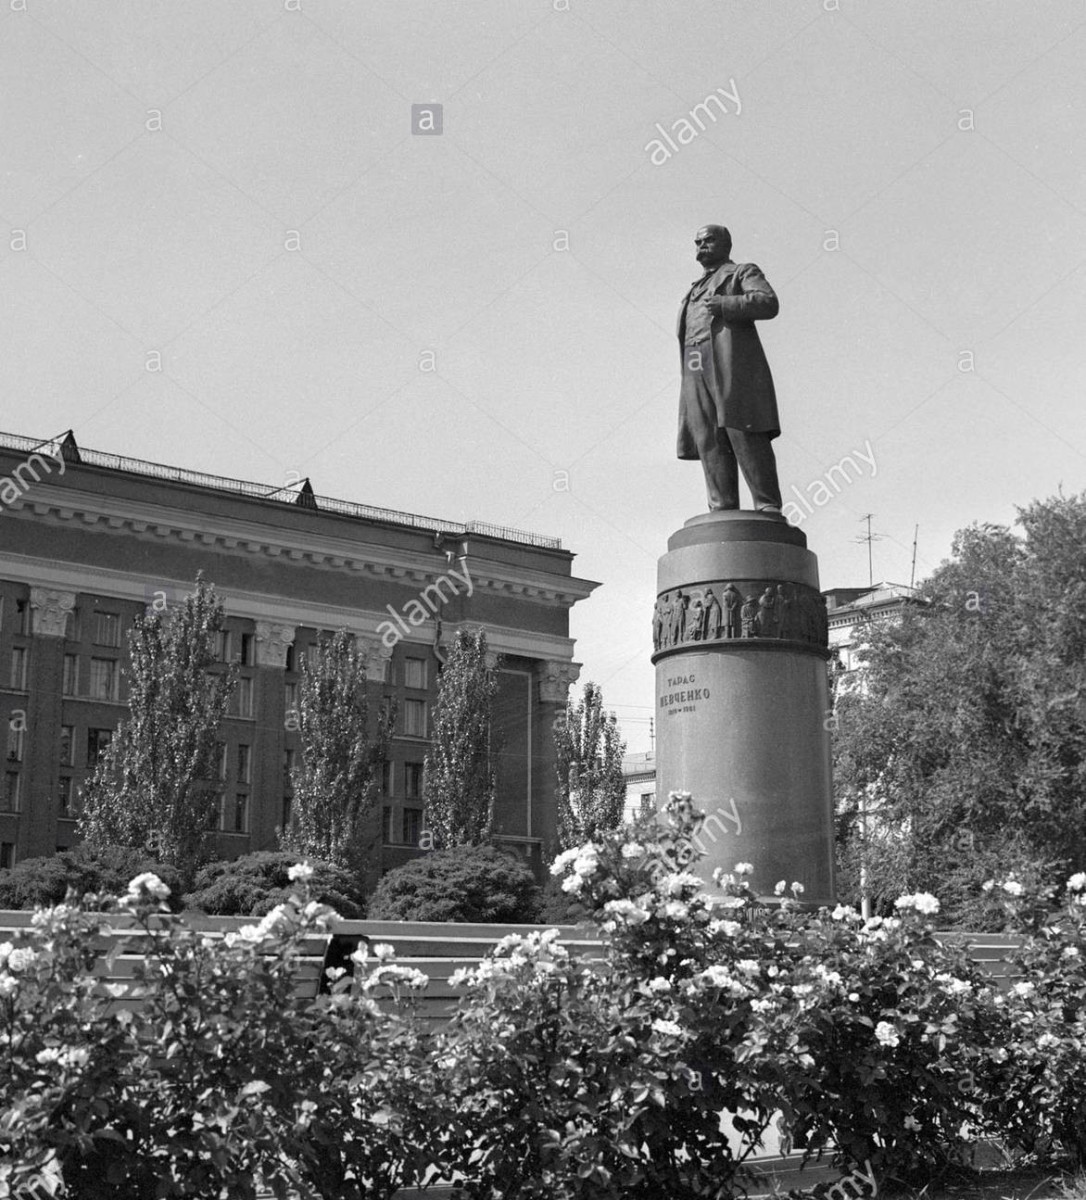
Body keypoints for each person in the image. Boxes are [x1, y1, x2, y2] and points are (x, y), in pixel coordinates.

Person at [677, 225, 783, 512]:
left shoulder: (741, 272)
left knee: (742, 426)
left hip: (727, 360)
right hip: (694, 360)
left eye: (709, 241)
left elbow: (768, 303)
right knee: (707, 434)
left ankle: (766, 503)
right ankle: (721, 505)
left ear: (726, 244)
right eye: (698, 242)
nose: (701, 246)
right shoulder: (693, 289)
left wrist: (726, 303)